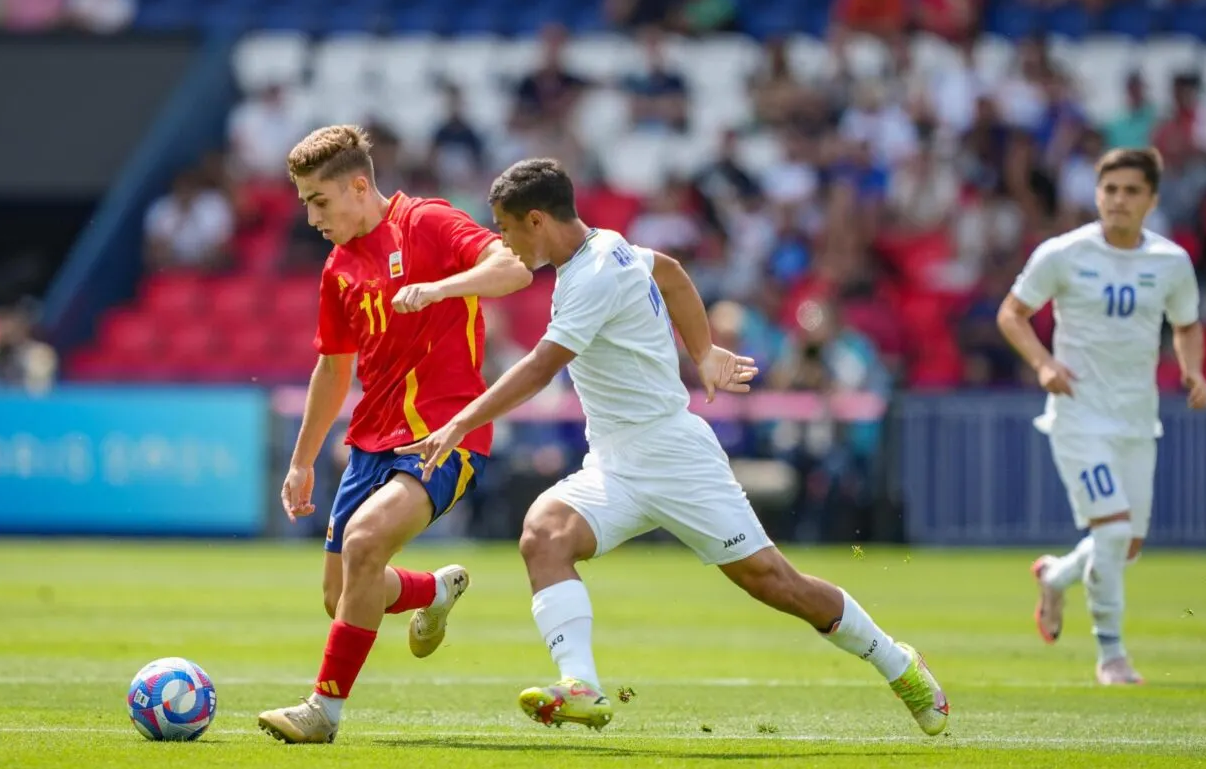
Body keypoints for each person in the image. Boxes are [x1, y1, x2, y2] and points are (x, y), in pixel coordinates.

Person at [398, 159, 948, 736]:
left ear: (536, 219)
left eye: (505, 228)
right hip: (613, 462)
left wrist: (458, 424)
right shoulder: (608, 247)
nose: (503, 241)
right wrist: (704, 352)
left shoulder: (590, 277)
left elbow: (540, 369)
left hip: (673, 455)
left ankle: (897, 661)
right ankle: (581, 685)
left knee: (773, 583)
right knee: (544, 533)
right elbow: (674, 272)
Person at [256, 126, 532, 744]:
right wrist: (301, 462)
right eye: (303, 202)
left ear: (359, 186)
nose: (310, 217)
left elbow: (512, 268)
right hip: (370, 444)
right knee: (341, 594)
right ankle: (432, 590)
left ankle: (322, 712)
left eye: (318, 201)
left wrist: (440, 287)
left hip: (445, 433)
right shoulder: (337, 267)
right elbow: (333, 368)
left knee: (363, 543)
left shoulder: (427, 222)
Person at [996, 147, 1206, 686]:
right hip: (1078, 416)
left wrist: (1193, 371)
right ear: (1097, 194)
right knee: (1113, 531)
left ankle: (1056, 574)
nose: (1119, 200)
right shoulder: (1063, 254)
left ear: (1152, 200)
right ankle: (1111, 654)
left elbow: (1186, 323)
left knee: (1127, 545)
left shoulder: (1170, 262)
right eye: (1110, 189)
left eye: (1131, 191)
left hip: (1138, 420)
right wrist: (1044, 364)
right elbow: (1013, 313)